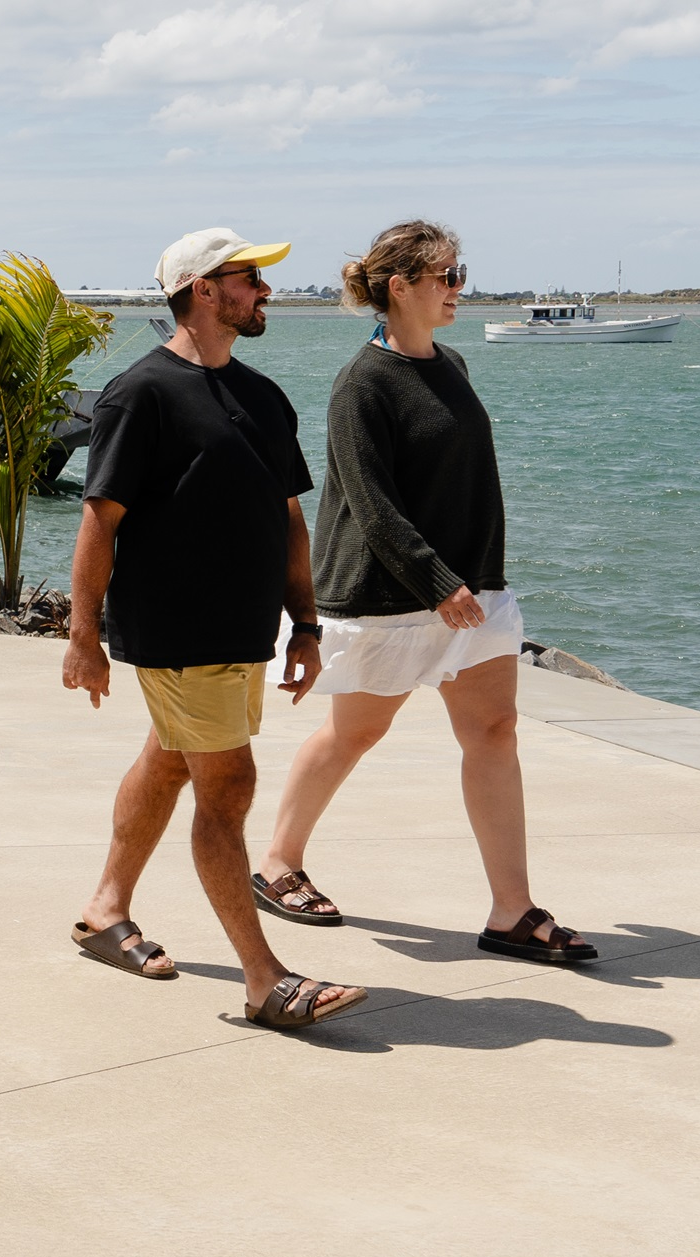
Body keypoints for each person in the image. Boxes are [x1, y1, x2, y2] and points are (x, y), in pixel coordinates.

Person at [254, 219, 598, 965]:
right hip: (389, 596)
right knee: (355, 734)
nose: (457, 289)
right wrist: (437, 582)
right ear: (400, 287)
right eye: (445, 276)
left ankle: (512, 911)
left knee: (494, 732)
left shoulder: (453, 364)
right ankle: (278, 862)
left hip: (474, 593)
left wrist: (470, 580)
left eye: (459, 274)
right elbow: (371, 503)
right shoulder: (361, 384)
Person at [61, 227, 367, 1032]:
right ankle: (265, 980)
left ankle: (104, 911)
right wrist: (84, 635)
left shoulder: (264, 396)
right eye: (249, 278)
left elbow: (289, 517)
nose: (265, 291)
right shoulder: (140, 394)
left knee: (170, 761)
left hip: (244, 632)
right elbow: (100, 520)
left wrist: (306, 625)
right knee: (226, 790)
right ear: (203, 289)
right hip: (178, 629)